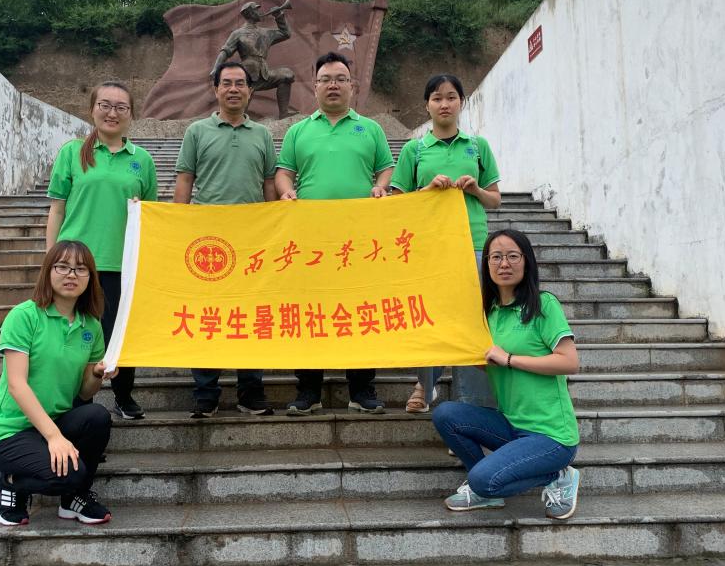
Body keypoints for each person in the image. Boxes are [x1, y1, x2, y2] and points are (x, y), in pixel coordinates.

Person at [275, 51, 395, 415]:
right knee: (309, 311)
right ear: (314, 87)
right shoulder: (298, 131)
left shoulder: (370, 128)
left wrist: (380, 187)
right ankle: (308, 391)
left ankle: (362, 389)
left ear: (352, 86)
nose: (333, 85)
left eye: (340, 79)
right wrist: (286, 192)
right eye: (326, 79)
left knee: (360, 310)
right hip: (310, 240)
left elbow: (386, 168)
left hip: (358, 241)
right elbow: (284, 172)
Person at [432, 229, 582, 520]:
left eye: (513, 256)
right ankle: (485, 493)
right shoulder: (488, 313)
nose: (504, 264)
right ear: (486, 264)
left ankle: (558, 474)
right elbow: (492, 364)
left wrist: (510, 359)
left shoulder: (543, 305)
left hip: (551, 436)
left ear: (526, 262)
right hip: (511, 426)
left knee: (483, 480)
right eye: (496, 257)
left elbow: (569, 361)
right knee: (446, 414)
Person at [45, 81, 157, 421]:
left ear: (131, 114)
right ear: (92, 109)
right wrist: (51, 258)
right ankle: (76, 402)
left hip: (122, 262)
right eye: (105, 105)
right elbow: (57, 210)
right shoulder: (72, 153)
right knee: (77, 333)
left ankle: (124, 395)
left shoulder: (142, 160)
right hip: (76, 263)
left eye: (121, 107)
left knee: (120, 332)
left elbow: (150, 216)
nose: (112, 113)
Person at [390, 74, 501, 413]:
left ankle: (472, 403)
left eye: (451, 97)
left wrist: (476, 190)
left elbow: (495, 199)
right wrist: (426, 191)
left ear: (461, 103)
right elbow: (397, 203)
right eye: (437, 98)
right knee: (431, 317)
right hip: (429, 246)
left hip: (473, 243)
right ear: (427, 105)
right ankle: (425, 385)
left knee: (473, 320)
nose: (444, 104)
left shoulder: (477, 146)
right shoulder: (414, 149)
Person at [0, 241, 117, 526]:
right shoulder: (24, 316)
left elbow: (84, 392)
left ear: (91, 277)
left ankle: (74, 499)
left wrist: (96, 374)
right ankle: (9, 482)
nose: (71, 274)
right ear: (48, 271)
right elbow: (17, 385)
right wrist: (54, 437)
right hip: (12, 432)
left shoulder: (91, 326)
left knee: (97, 416)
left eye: (80, 269)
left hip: (56, 421)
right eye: (63, 267)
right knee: (70, 475)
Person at [174, 61, 279, 418]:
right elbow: (185, 180)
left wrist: (273, 226)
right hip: (208, 241)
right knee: (208, 315)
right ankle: (206, 392)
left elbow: (269, 183)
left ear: (250, 91)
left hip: (251, 239)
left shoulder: (262, 135)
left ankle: (251, 390)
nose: (233, 89)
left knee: (251, 313)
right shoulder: (197, 132)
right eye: (227, 83)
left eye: (240, 84)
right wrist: (178, 225)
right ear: (216, 89)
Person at [210, 1, 295, 118]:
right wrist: (216, 68)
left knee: (286, 75)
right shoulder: (238, 33)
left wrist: (278, 16)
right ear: (249, 13)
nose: (259, 12)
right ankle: (237, 118)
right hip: (247, 74)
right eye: (256, 10)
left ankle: (283, 113)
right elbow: (225, 51)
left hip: (264, 74)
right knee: (241, 108)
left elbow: (285, 33)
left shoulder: (265, 32)